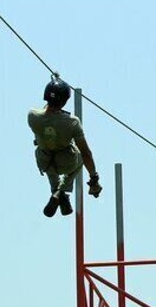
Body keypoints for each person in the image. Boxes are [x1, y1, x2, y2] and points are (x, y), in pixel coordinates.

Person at [28, 75, 102, 217]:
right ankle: (62, 191)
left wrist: (54, 86)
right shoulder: (72, 122)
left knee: (44, 150)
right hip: (65, 162)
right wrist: (94, 178)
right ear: (64, 102)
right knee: (80, 156)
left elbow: (46, 113)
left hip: (44, 161)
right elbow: (86, 153)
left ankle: (56, 191)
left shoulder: (32, 116)